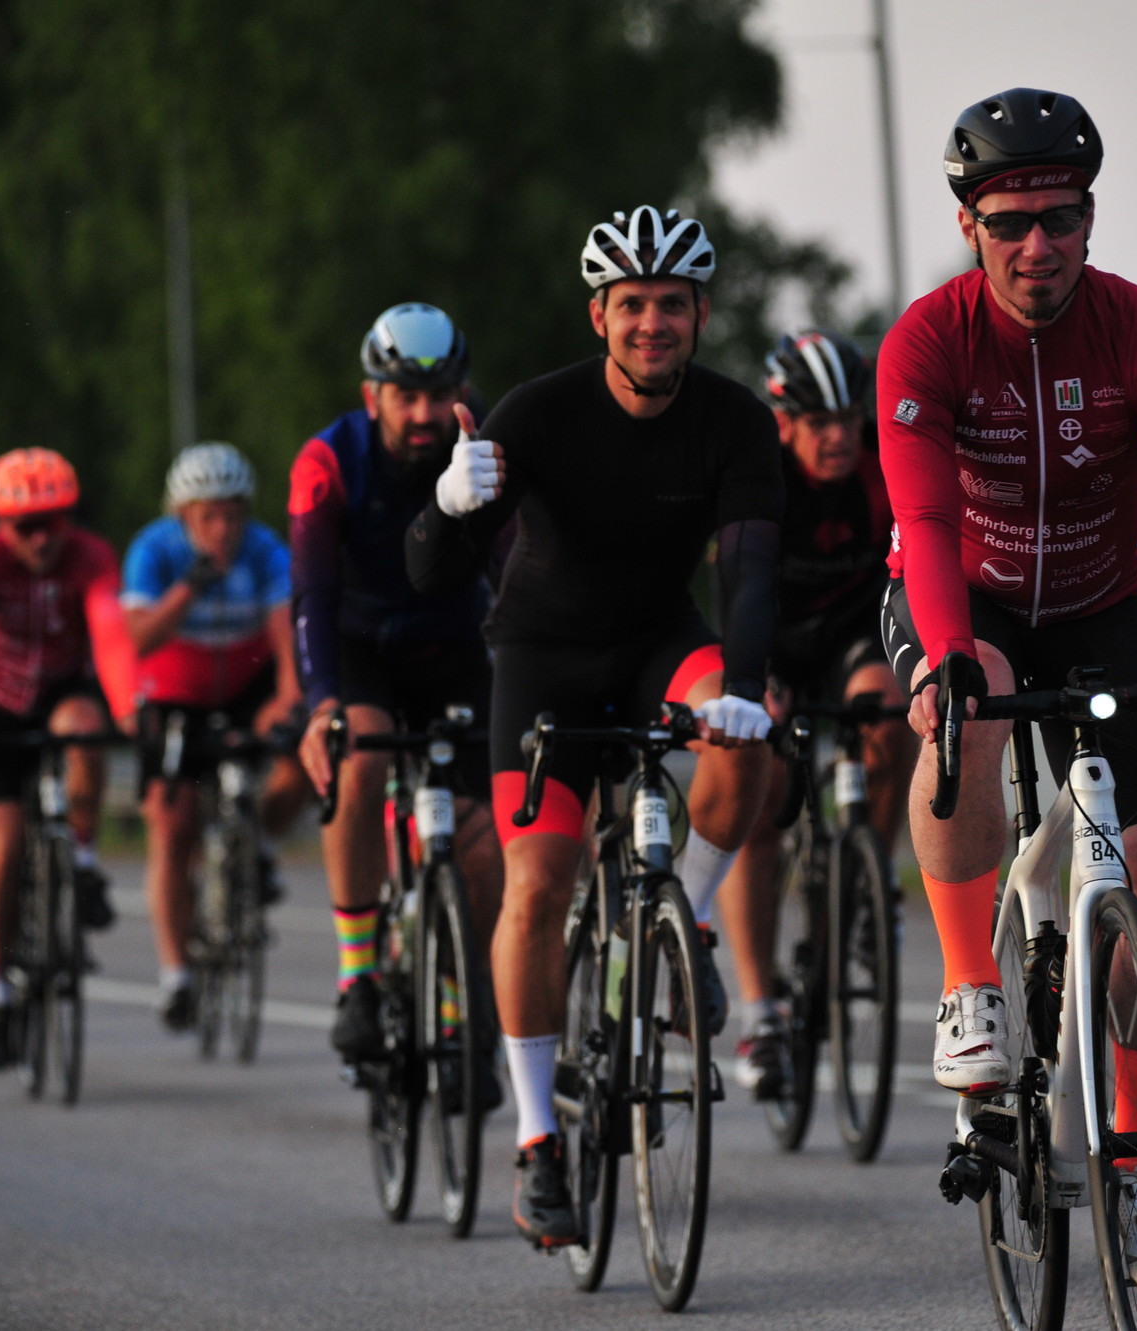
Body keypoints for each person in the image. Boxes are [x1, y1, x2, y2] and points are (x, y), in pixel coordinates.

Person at [875, 88, 1137, 1290]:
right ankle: (970, 985)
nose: (1037, 244)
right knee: (966, 708)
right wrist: (944, 654)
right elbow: (922, 518)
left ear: (1088, 218)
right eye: (1010, 220)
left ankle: (1132, 1143)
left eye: (1059, 217)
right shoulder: (926, 340)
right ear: (968, 223)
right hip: (958, 594)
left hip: (1098, 601)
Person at [405, 206, 783, 1247]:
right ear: (599, 316)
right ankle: (537, 1140)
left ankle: (683, 920)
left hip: (662, 641)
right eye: (633, 305)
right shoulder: (536, 413)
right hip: (544, 658)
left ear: (701, 313)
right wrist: (447, 502)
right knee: (536, 882)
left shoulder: (735, 420)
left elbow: (750, 570)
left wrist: (746, 685)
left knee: (746, 733)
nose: (653, 322)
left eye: (672, 304)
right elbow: (430, 570)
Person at [288, 304, 503, 1065]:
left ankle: (463, 988)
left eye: (438, 395)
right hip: (361, 648)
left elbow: (516, 570)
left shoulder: (480, 445)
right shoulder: (329, 459)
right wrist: (320, 705)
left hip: (453, 646)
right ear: (370, 394)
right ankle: (359, 974)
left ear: (460, 392)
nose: (422, 414)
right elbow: (311, 594)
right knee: (360, 756)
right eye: (404, 396)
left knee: (484, 839)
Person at [716, 328, 915, 1096]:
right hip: (771, 635)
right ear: (785, 422)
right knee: (760, 792)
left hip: (851, 632)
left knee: (890, 714)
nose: (838, 437)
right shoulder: (758, 475)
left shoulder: (878, 466)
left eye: (848, 419)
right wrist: (753, 679)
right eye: (819, 422)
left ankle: (871, 878)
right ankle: (761, 1009)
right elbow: (739, 583)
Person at [0, 449, 132, 1070]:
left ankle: (81, 860)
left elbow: (109, 631)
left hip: (60, 691)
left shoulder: (91, 556)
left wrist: (128, 705)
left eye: (52, 523)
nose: (40, 539)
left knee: (86, 729)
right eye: (23, 526)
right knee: (4, 846)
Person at [126, 443, 310, 1032]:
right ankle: (176, 974)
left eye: (233, 514)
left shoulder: (264, 548)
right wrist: (189, 587)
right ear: (184, 515)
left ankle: (261, 845)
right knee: (171, 824)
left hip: (246, 683)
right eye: (208, 516)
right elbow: (140, 639)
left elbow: (285, 631)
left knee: (302, 760)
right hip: (175, 690)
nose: (223, 528)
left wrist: (287, 695)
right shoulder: (156, 549)